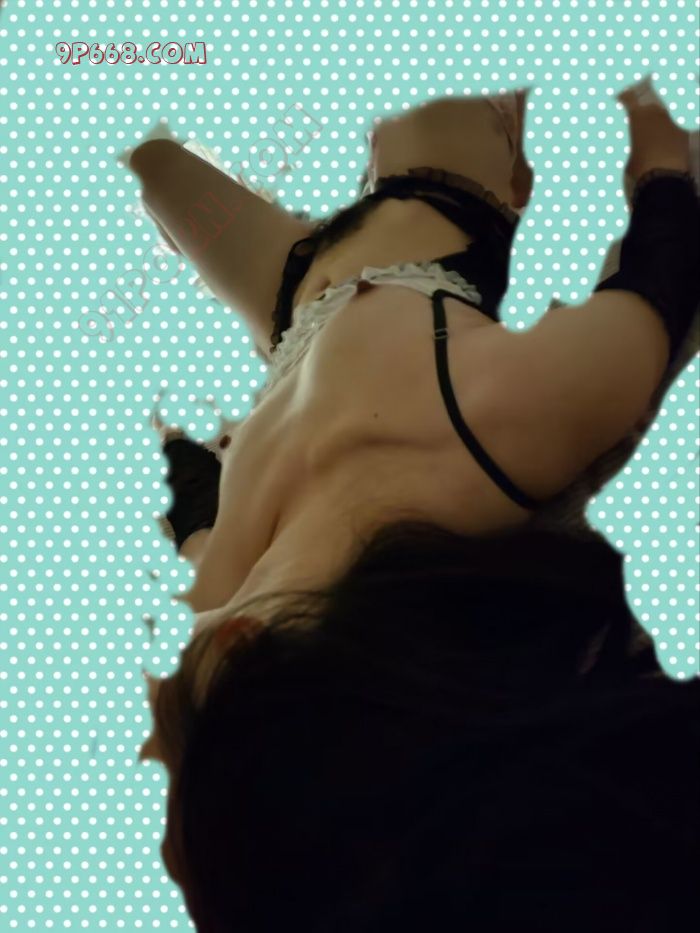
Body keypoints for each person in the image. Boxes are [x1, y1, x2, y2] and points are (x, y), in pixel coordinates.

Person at [130, 80, 700, 931]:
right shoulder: (490, 434)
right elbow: (664, 258)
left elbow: (178, 488)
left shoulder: (215, 603)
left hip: (292, 301)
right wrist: (649, 117)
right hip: (436, 207)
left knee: (144, 162)